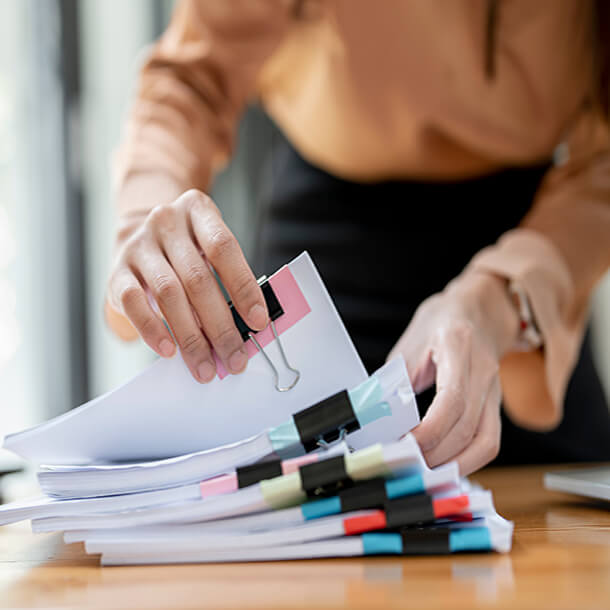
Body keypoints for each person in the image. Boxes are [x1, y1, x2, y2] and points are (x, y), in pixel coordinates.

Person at [104, 0, 610, 474]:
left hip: (531, 262)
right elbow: (194, 77)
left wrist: (502, 302)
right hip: (325, 252)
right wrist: (146, 217)